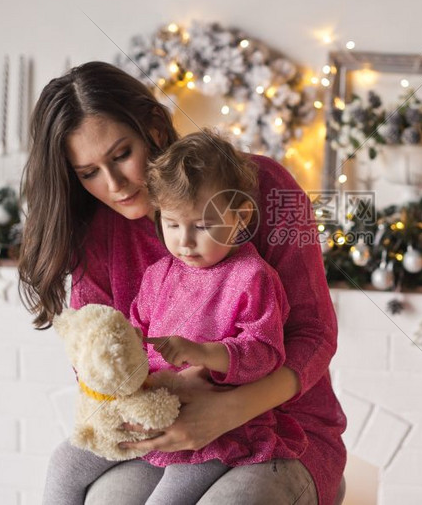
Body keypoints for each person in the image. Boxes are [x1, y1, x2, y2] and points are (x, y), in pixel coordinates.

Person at [18, 61, 346, 504]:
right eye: (89, 172)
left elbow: (315, 333)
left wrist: (225, 410)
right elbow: (97, 357)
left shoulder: (262, 186)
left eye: (120, 155)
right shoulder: (97, 232)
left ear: (153, 127)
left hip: (280, 436)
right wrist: (158, 394)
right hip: (159, 435)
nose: (113, 185)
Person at [42, 130, 310, 504]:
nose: (184, 241)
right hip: (154, 410)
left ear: (240, 217)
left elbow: (266, 351)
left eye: (201, 226)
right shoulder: (160, 274)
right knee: (65, 463)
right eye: (171, 224)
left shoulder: (252, 277)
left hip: (221, 433)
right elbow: (136, 333)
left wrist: (206, 355)